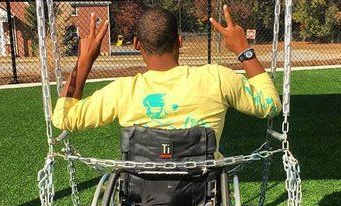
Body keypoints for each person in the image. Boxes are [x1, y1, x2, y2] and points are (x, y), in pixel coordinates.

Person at [52, 5, 281, 158]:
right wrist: (244, 50)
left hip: (141, 193)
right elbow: (271, 104)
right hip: (203, 190)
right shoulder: (217, 78)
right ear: (180, 42)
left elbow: (63, 118)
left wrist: (84, 61)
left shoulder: (122, 91)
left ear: (136, 45)